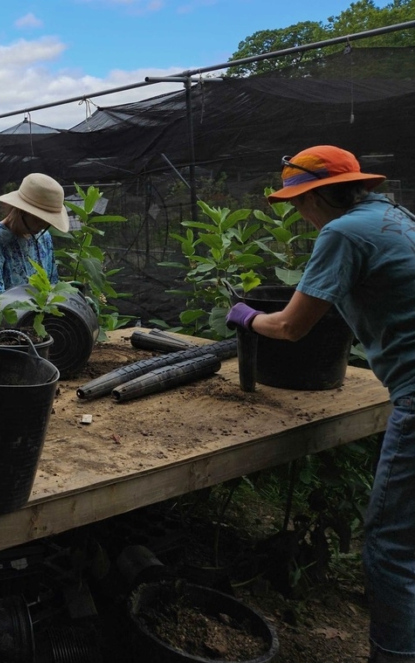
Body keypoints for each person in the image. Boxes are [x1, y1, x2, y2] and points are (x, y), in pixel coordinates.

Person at [225, 145, 415, 663]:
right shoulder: (394, 215)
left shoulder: (341, 232)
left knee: (392, 546)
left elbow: (290, 326)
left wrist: (245, 317)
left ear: (316, 196)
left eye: (296, 203)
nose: (297, 215)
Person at [0, 173, 76, 293]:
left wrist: (70, 294)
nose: (42, 226)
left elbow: (51, 284)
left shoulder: (44, 237)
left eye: (47, 222)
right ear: (21, 211)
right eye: (38, 220)